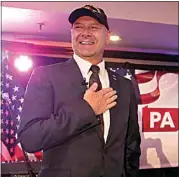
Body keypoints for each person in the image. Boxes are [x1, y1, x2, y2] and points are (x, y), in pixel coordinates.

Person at [18, 5, 141, 177]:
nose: (85, 33)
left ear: (107, 36)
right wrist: (87, 110)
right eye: (78, 27)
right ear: (72, 34)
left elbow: (131, 146)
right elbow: (30, 139)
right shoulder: (46, 76)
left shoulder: (124, 86)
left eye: (94, 27)